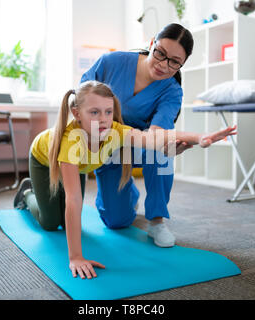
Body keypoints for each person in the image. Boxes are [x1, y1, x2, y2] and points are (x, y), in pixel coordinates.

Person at [13, 80, 237, 279]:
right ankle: (27, 193)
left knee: (73, 221)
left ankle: (41, 196)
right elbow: (73, 199)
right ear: (76, 113)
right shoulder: (71, 141)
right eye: (94, 112)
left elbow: (154, 138)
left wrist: (200, 137)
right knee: (51, 223)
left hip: (77, 166)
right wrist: (76, 258)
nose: (103, 120)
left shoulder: (114, 131)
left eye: (108, 112)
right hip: (45, 161)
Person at [80, 23, 196, 248]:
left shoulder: (172, 90)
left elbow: (157, 134)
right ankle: (129, 194)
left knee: (163, 152)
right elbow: (80, 97)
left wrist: (172, 144)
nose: (164, 65)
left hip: (141, 145)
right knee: (116, 221)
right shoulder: (110, 63)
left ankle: (157, 221)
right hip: (107, 146)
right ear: (152, 43)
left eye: (174, 61)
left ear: (182, 63)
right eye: (160, 53)